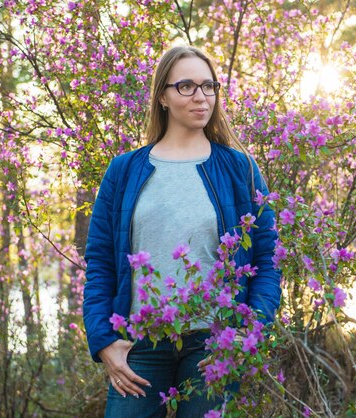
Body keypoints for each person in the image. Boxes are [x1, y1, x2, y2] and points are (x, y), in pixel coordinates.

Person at [82, 45, 281, 418]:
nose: (201, 96)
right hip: (140, 342)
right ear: (162, 96)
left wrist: (249, 333)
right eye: (186, 86)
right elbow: (100, 265)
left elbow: (267, 261)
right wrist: (104, 340)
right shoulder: (124, 171)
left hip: (215, 343)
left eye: (208, 86)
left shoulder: (241, 170)